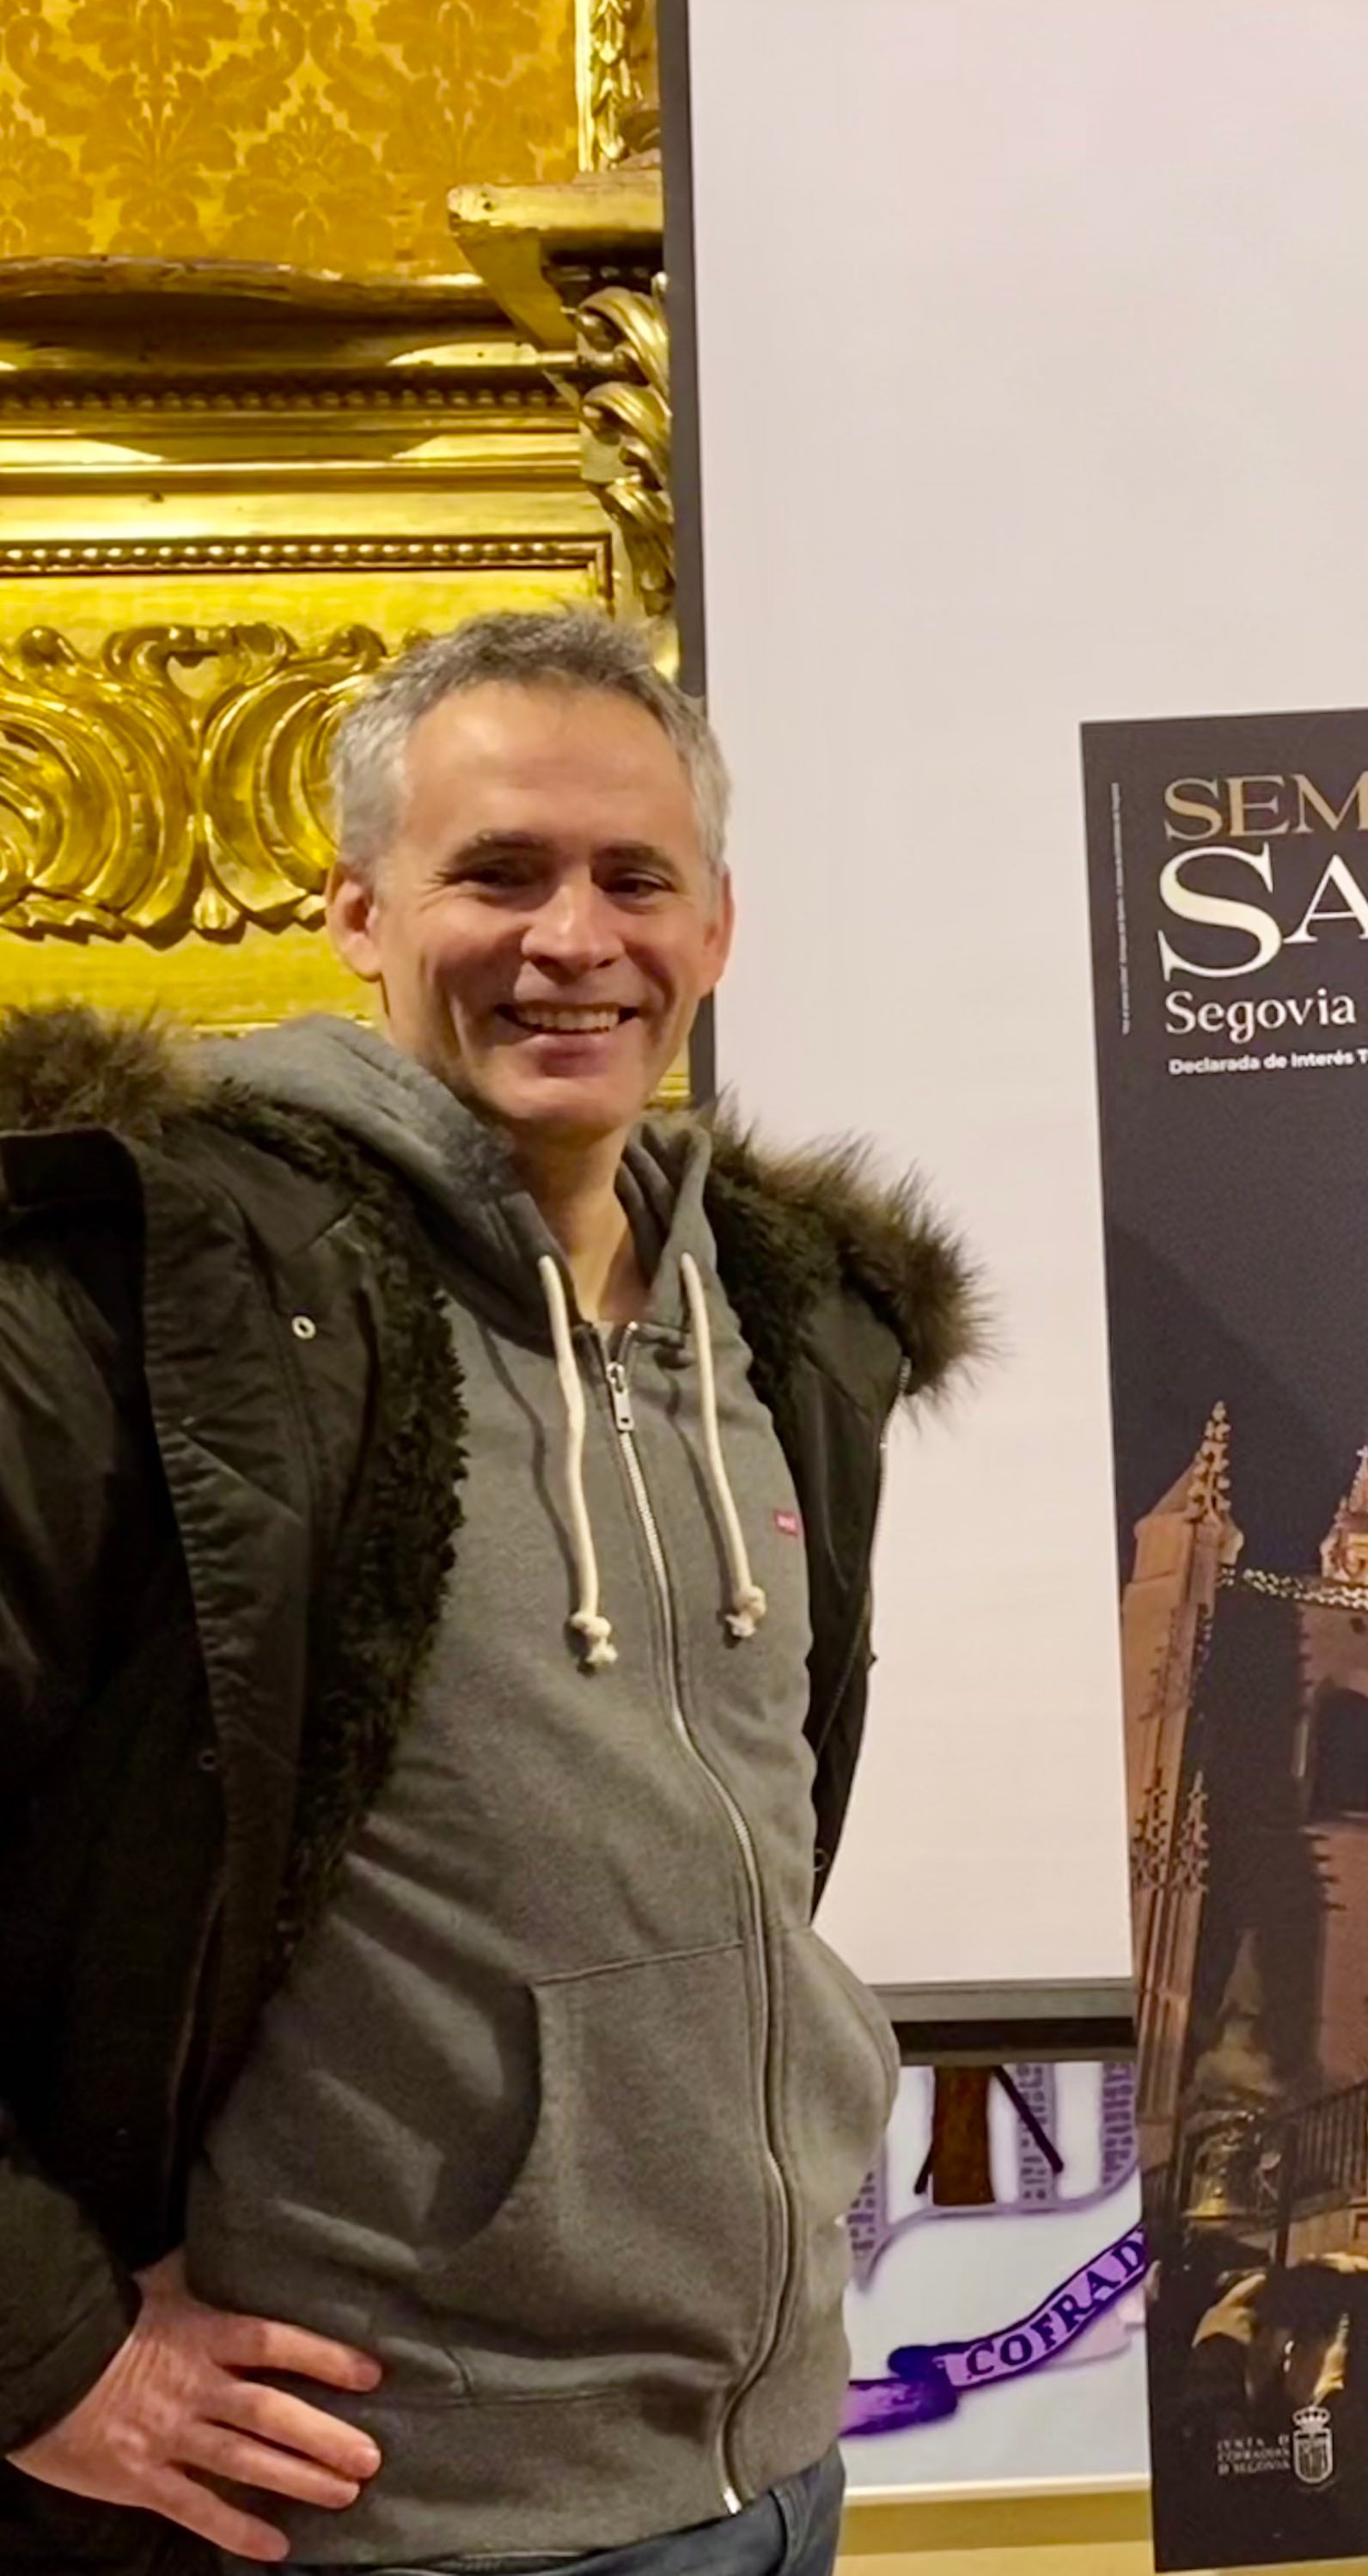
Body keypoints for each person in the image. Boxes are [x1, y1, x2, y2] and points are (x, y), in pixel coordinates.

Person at [0, 612, 978, 2573]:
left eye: (635, 879)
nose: (572, 939)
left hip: (772, 2478)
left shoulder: (786, 1333)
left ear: (716, 926)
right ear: (359, 911)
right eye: (498, 874)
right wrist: (40, 2357)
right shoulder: (161, 1308)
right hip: (390, 2527)